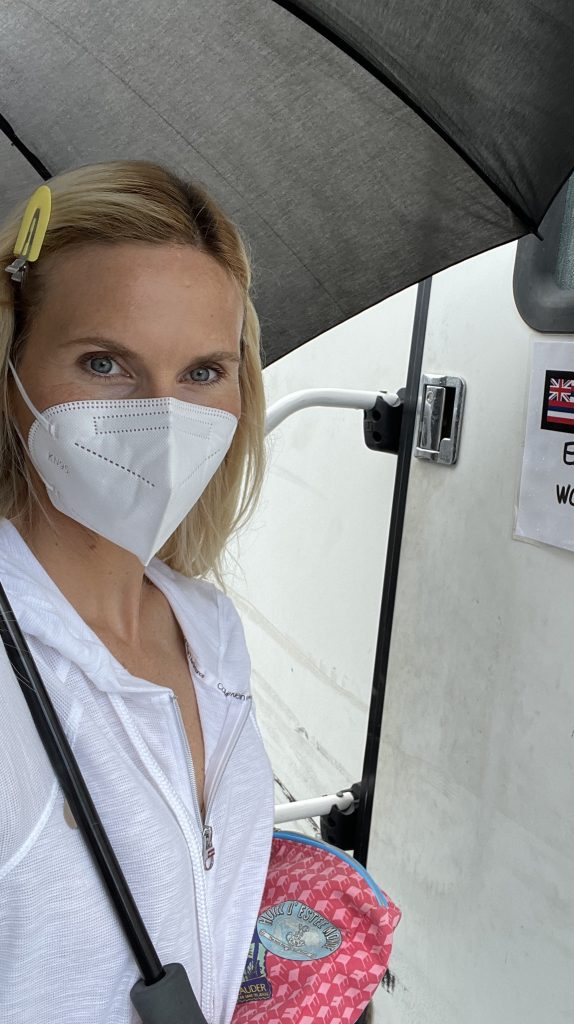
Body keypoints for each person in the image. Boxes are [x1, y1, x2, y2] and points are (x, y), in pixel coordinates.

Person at [0, 161, 275, 1023]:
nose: (163, 418)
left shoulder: (209, 629)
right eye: (105, 362)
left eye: (203, 372)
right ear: (9, 370)